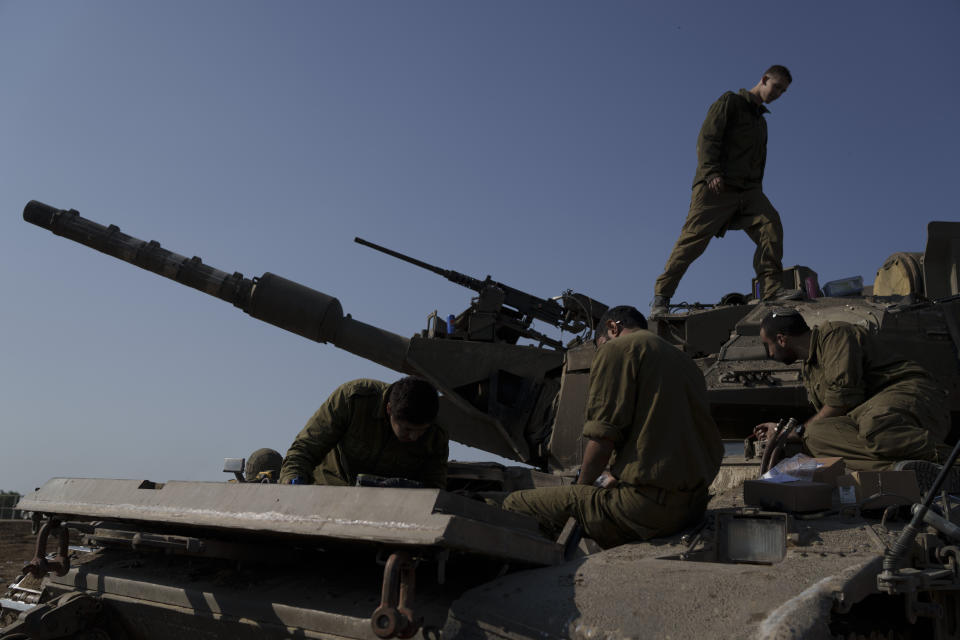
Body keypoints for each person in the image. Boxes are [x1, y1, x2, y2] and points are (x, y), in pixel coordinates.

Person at [502, 306, 723, 549]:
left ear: (612, 328)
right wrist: (617, 474)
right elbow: (662, 433)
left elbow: (602, 439)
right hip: (691, 507)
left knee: (513, 503)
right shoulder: (686, 362)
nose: (601, 350)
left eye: (600, 344)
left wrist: (582, 490)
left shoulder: (617, 350)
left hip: (647, 511)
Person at [651, 65, 797, 318]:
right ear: (763, 79)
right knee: (692, 241)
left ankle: (772, 289)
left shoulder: (761, 122)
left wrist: (755, 194)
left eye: (783, 92)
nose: (778, 94)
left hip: (748, 191)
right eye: (776, 87)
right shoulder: (730, 102)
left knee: (770, 224)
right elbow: (708, 137)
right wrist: (711, 172)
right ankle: (661, 297)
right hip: (716, 187)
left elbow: (758, 163)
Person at [755, 311, 950, 471]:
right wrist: (784, 432)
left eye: (767, 346)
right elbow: (830, 418)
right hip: (866, 412)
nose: (770, 354)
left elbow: (842, 400)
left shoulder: (835, 335)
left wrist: (793, 432)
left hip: (908, 390)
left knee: (876, 427)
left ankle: (950, 463)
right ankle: (902, 471)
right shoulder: (809, 368)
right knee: (815, 436)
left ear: (781, 339)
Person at [279, 376, 448, 488]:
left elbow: (433, 487)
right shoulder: (353, 400)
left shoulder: (436, 434)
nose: (414, 436)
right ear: (389, 409)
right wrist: (293, 479)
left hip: (391, 512)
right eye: (407, 429)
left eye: (421, 431)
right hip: (329, 493)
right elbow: (305, 448)